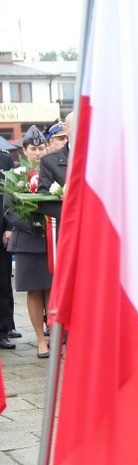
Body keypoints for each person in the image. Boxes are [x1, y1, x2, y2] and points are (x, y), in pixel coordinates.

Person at [4, 126, 52, 358]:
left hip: (51, 240)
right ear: (25, 150)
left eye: (41, 148)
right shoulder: (17, 174)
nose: (38, 153)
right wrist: (31, 225)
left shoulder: (53, 170)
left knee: (52, 290)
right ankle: (40, 340)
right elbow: (9, 211)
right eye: (33, 149)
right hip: (27, 240)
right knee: (34, 291)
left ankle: (54, 331)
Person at [0, 149, 19, 350]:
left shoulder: (4, 158)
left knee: (3, 284)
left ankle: (3, 332)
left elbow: (10, 196)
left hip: (1, 230)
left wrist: (8, 227)